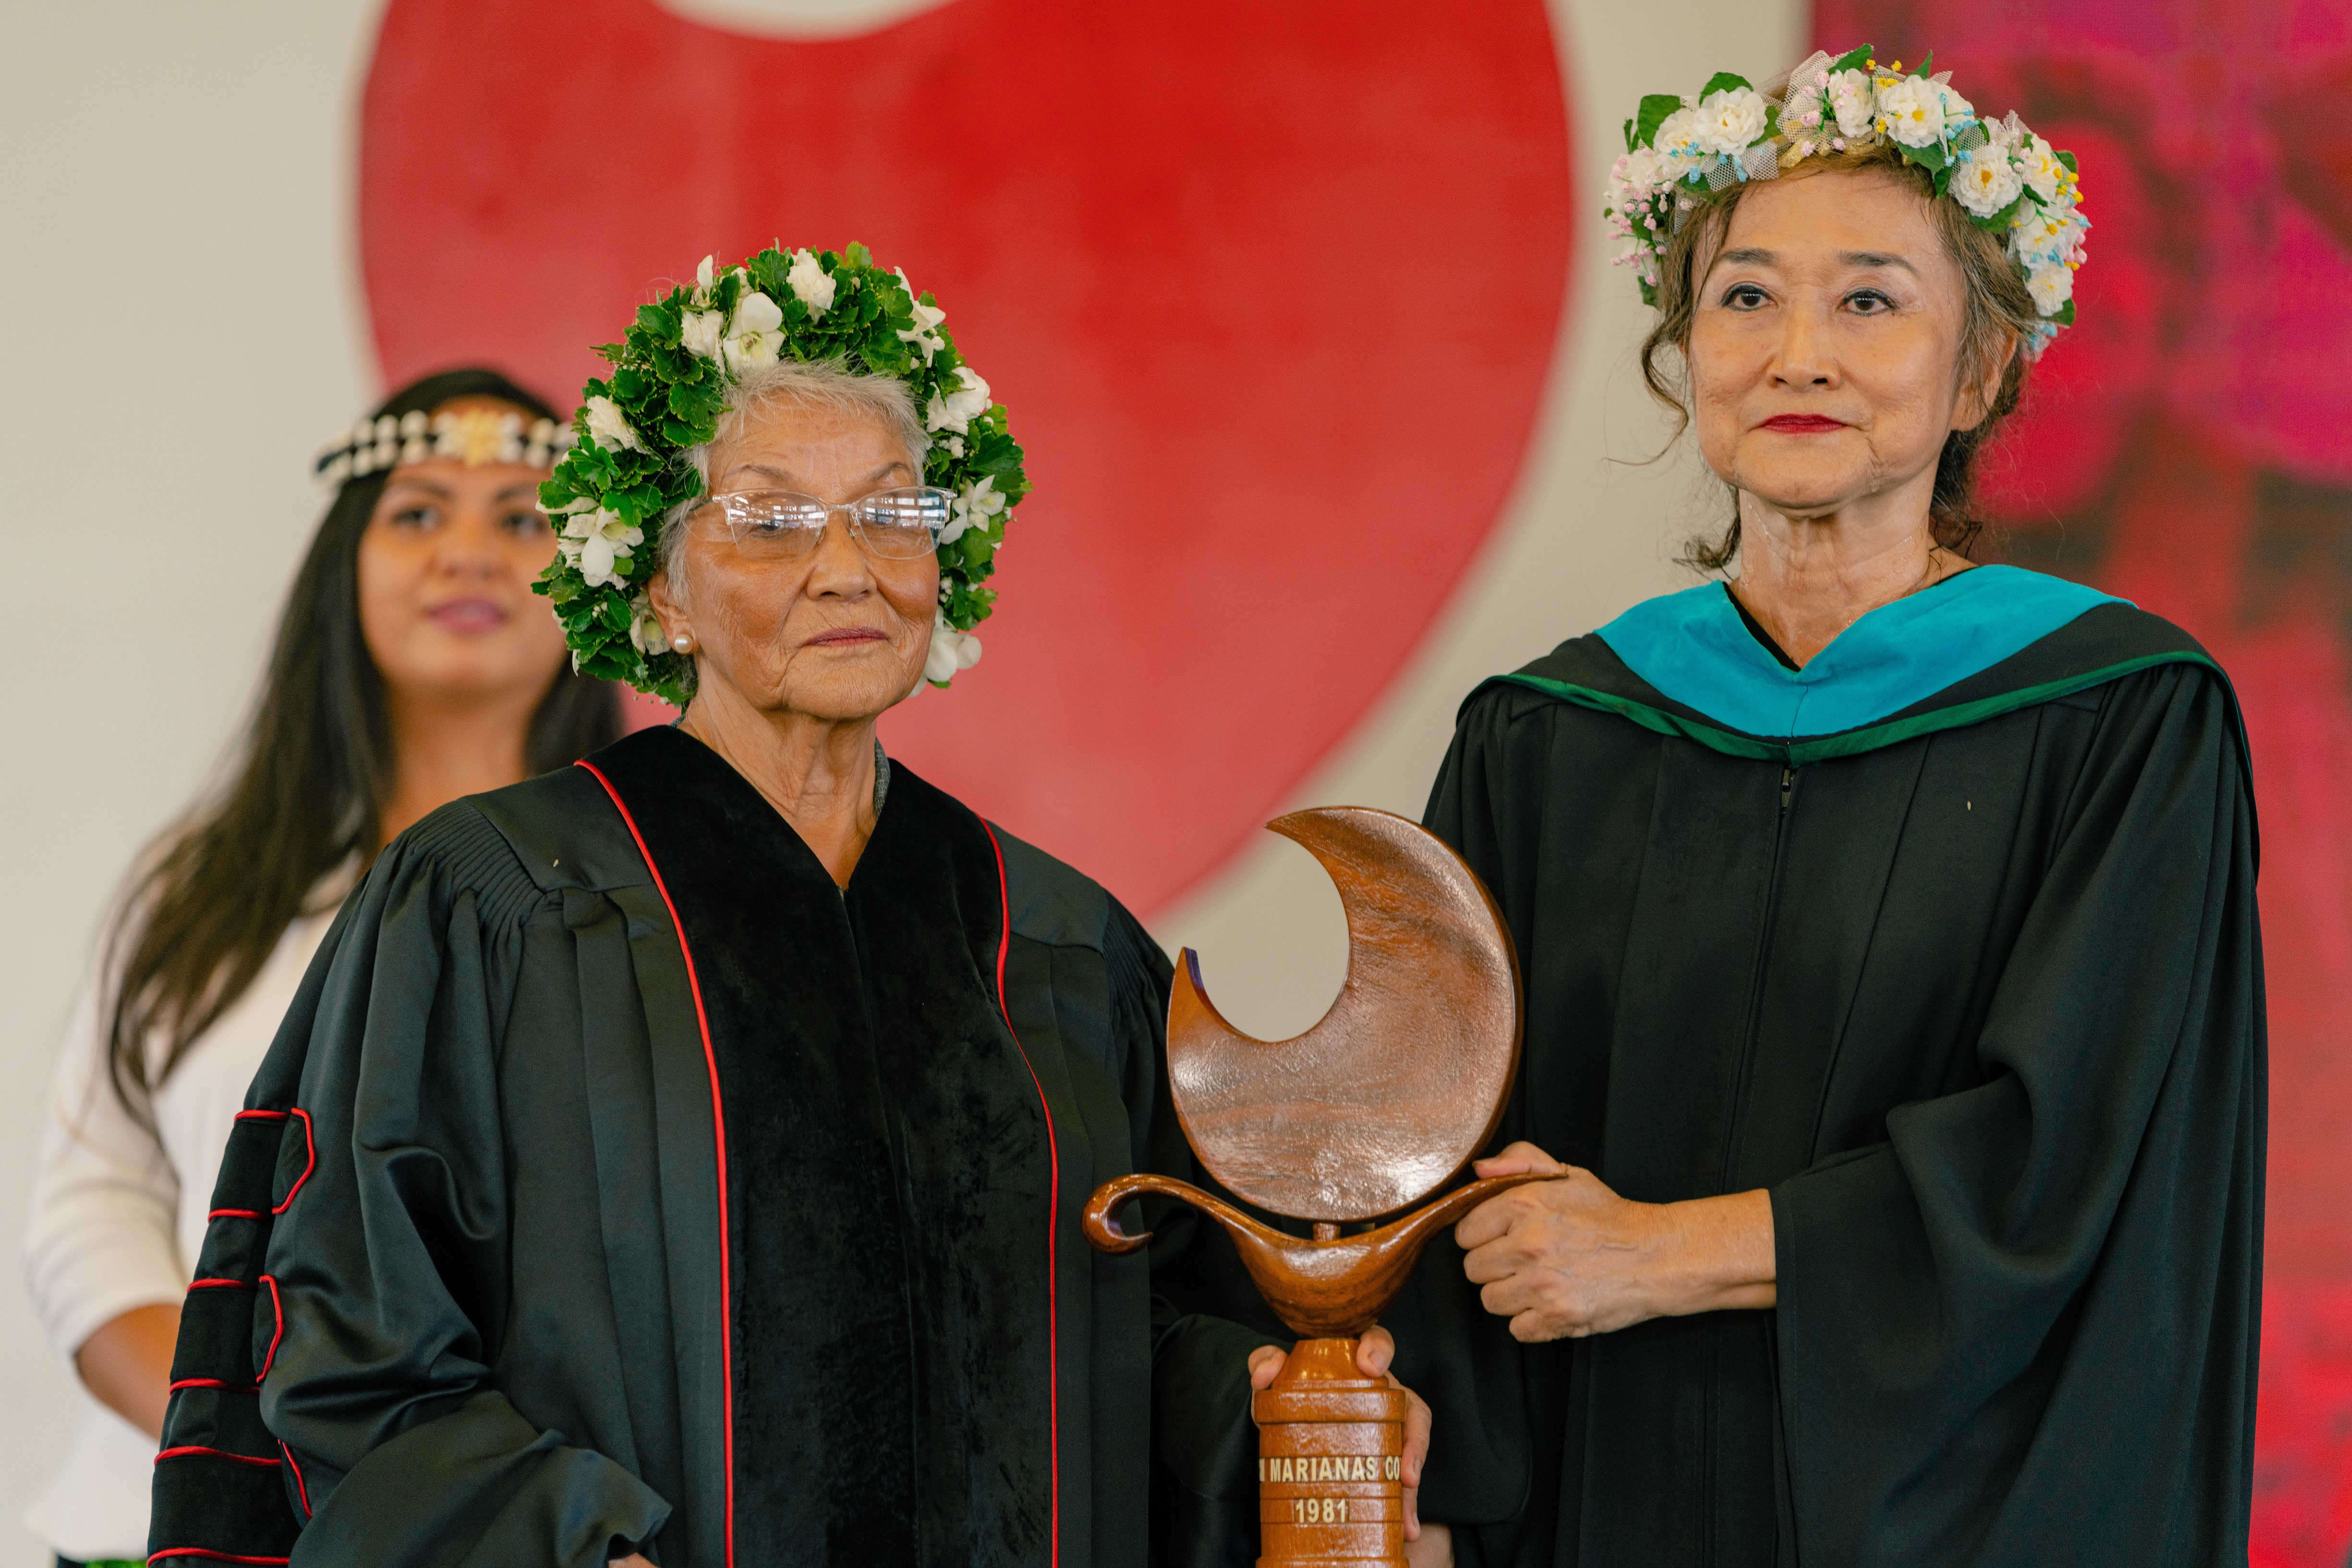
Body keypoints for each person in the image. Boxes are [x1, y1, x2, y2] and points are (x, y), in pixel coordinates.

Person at [142, 246, 1312, 1568]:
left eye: (891, 513)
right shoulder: (496, 902)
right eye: (768, 521)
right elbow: (353, 1336)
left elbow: (1133, 1329)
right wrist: (568, 1548)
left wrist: (1268, 1404)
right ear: (657, 591)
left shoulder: (1057, 938)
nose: (845, 568)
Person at [1385, 49, 2261, 1567]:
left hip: (1970, 1511)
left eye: (1870, 300)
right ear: (1682, 354)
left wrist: (1659, 1251)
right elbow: (1452, 1153)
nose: (1799, 353)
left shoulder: (2121, 720)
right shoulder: (1546, 738)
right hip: (1613, 1499)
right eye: (1744, 297)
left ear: (1980, 374)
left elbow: (2075, 1153)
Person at [21, 367, 620, 1568]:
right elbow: (94, 1203)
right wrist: (246, 1443)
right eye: (417, 511)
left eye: (523, 516)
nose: (470, 551)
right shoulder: (203, 886)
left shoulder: (646, 905)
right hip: (167, 1526)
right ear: (341, 567)